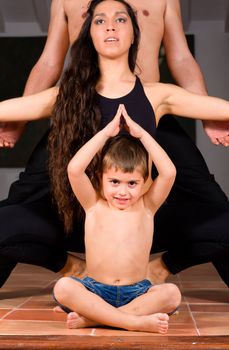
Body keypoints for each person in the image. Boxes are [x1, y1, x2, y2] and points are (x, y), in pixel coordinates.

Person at [0, 0, 229, 288]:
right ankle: (70, 265)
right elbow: (47, 64)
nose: (110, 26)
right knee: (13, 211)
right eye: (98, 21)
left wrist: (205, 111)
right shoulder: (64, 97)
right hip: (77, 117)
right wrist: (16, 122)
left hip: (149, 120)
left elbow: (182, 58)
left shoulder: (158, 94)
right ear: (89, 33)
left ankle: (163, 265)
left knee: (216, 208)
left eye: (121, 20)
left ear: (135, 33)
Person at [53, 104, 181, 333]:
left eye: (132, 183)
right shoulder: (93, 205)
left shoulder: (147, 207)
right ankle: (132, 321)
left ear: (143, 182)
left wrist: (142, 135)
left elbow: (169, 172)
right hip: (95, 289)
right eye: (114, 182)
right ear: (100, 179)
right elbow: (74, 169)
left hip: (137, 291)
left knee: (172, 294)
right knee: (64, 287)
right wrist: (104, 134)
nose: (123, 192)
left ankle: (96, 318)